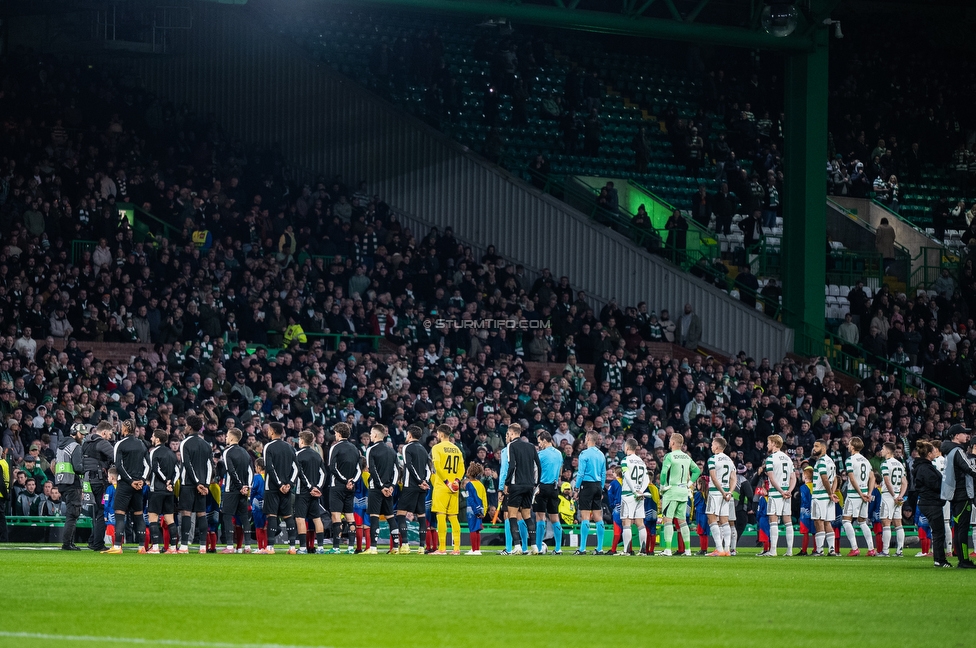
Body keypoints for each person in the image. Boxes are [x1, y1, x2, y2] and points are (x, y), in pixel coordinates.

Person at [103, 418, 147, 554]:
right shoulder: (142, 444)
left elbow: (118, 465)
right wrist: (142, 480)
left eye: (122, 427)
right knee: (139, 515)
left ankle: (117, 546)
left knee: (120, 514)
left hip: (125, 484)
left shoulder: (120, 444)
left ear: (126, 429)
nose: (121, 429)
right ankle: (142, 547)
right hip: (139, 485)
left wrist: (130, 481)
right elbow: (148, 465)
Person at [501, 422, 541, 555]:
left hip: (516, 484)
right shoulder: (531, 446)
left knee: (512, 515)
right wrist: (535, 484)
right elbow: (538, 467)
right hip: (529, 485)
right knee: (527, 516)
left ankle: (517, 546)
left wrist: (506, 483)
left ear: (511, 433)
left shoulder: (511, 445)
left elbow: (512, 466)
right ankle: (534, 546)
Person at [940, 424, 976, 568]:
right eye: (963, 433)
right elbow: (970, 468)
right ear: (956, 436)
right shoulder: (958, 451)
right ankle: (964, 560)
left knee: (959, 528)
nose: (966, 436)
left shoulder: (949, 452)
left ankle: (963, 558)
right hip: (962, 494)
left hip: (954, 494)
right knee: (962, 528)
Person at [178, 414, 214, 554]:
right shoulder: (206, 444)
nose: (185, 428)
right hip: (203, 486)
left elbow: (187, 464)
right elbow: (210, 466)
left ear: (190, 427)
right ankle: (203, 547)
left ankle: (184, 546)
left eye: (186, 425)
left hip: (188, 483)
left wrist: (197, 483)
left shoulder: (185, 443)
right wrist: (205, 484)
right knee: (201, 514)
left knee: (186, 514)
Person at [659, 432, 700, 556]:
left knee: (667, 520)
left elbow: (664, 472)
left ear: (672, 442)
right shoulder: (686, 457)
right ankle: (687, 550)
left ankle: (667, 549)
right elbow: (697, 470)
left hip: (671, 491)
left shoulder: (669, 456)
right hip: (683, 492)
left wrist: (662, 485)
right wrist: (689, 484)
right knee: (682, 521)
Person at [262, 421, 299, 555]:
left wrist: (279, 484)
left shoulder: (268, 447)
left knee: (272, 515)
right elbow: (296, 468)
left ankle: (270, 547)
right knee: (288, 516)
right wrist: (289, 483)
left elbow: (269, 467)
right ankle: (292, 547)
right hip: (287, 488)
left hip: (272, 487)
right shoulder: (290, 447)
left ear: (272, 431)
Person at [914, 440, 952, 568]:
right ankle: (940, 560)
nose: (935, 452)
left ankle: (939, 559)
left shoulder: (922, 466)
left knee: (938, 531)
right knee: (938, 532)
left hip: (929, 502)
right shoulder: (926, 468)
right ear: (929, 453)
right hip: (931, 503)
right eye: (933, 450)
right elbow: (934, 485)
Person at [395, 425, 431, 554]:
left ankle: (405, 544)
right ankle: (421, 547)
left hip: (410, 485)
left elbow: (408, 466)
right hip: (422, 487)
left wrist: (419, 481)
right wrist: (425, 481)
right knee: (421, 515)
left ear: (410, 434)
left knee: (400, 514)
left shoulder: (406, 448)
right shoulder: (423, 449)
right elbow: (429, 468)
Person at [365, 424, 400, 554]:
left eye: (370, 433)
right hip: (389, 490)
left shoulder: (371, 450)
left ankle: (373, 548)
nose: (369, 435)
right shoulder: (392, 451)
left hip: (376, 488)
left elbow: (372, 470)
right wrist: (391, 486)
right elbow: (397, 471)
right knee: (390, 516)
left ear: (375, 435)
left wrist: (381, 487)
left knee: (374, 516)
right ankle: (395, 547)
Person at [430, 423, 465, 555]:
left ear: (442, 434)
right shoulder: (457, 449)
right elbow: (462, 468)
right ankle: (456, 549)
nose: (437, 436)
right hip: (455, 488)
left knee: (441, 516)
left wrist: (447, 482)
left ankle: (442, 548)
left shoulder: (437, 448)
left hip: (442, 486)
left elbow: (438, 467)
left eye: (438, 434)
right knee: (453, 517)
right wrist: (456, 481)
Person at [328, 422, 362, 554]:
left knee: (336, 516)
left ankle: (336, 547)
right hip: (351, 487)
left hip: (337, 486)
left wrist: (344, 480)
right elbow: (359, 468)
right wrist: (352, 481)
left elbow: (332, 467)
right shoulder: (355, 449)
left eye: (335, 433)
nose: (335, 435)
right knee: (350, 516)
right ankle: (350, 548)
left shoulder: (335, 447)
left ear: (339, 433)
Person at [81, 421, 115, 552]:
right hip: (100, 481)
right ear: (104, 432)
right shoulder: (102, 443)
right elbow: (115, 456)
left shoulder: (86, 443)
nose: (110, 437)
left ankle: (92, 540)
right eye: (110, 434)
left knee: (97, 511)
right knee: (103, 511)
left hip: (89, 481)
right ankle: (97, 543)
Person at [761, 434, 796, 558]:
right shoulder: (788, 458)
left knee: (773, 520)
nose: (767, 445)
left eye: (769, 442)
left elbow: (771, 477)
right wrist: (789, 491)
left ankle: (773, 550)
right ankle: (789, 550)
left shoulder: (771, 459)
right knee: (788, 521)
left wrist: (781, 491)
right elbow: (793, 477)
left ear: (774, 444)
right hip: (787, 494)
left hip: (776, 493)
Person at [220, 428, 254, 554]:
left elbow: (231, 470)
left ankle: (229, 546)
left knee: (227, 516)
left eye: (227, 436)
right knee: (244, 517)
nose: (226, 438)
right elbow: (251, 471)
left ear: (233, 438)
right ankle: (248, 546)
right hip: (244, 491)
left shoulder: (227, 452)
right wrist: (247, 487)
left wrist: (240, 486)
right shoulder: (245, 453)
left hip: (232, 489)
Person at [54, 423, 87, 551]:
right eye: (81, 434)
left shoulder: (61, 446)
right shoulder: (75, 446)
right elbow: (78, 468)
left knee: (70, 514)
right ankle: (67, 544)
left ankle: (68, 543)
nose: (83, 436)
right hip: (73, 483)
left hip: (62, 483)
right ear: (75, 432)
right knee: (73, 515)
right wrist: (87, 468)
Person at [573, 431, 607, 555]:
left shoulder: (584, 454)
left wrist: (576, 489)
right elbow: (604, 473)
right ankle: (599, 548)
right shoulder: (601, 454)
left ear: (587, 438)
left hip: (587, 485)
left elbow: (581, 473)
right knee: (598, 517)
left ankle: (582, 548)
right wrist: (601, 487)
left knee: (585, 517)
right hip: (598, 485)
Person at [841, 437, 876, 557]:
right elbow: (872, 477)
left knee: (846, 520)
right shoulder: (866, 461)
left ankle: (854, 548)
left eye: (849, 444)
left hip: (854, 494)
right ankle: (871, 549)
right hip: (865, 494)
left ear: (853, 446)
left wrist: (860, 493)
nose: (848, 446)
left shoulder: (850, 460)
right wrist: (869, 493)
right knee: (862, 522)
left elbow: (851, 478)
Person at [146, 429, 179, 554]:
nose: (151, 439)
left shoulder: (154, 452)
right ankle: (172, 548)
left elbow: (156, 468)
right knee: (170, 520)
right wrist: (172, 483)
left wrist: (165, 481)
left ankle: (155, 547)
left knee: (153, 518)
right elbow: (178, 471)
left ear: (158, 439)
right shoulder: (172, 453)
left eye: (153, 437)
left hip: (157, 489)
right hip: (169, 491)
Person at [294, 429, 326, 554]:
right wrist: (318, 487)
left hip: (302, 491)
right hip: (315, 492)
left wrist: (310, 487)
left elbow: (299, 473)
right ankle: (321, 548)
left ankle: (302, 548)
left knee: (300, 518)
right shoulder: (317, 455)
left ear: (302, 441)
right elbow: (323, 473)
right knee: (317, 518)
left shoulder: (297, 455)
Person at [705, 436, 736, 557]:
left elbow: (713, 478)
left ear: (717, 446)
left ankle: (719, 548)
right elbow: (734, 478)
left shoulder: (713, 459)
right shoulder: (729, 460)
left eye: (712, 444)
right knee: (724, 521)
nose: (711, 446)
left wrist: (723, 492)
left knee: (711, 519)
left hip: (715, 492)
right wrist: (729, 492)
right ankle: (727, 549)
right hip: (727, 493)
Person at [619, 438, 650, 556]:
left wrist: (634, 491)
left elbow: (626, 476)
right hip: (640, 495)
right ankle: (643, 550)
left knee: (626, 522)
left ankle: (626, 551)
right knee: (640, 522)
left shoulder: (625, 460)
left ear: (627, 447)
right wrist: (640, 491)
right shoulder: (641, 462)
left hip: (628, 494)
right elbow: (647, 479)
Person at [534, 431, 564, 554]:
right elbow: (560, 472)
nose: (539, 444)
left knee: (540, 517)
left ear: (545, 440)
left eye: (540, 442)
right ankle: (558, 548)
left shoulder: (540, 455)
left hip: (542, 487)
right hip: (554, 487)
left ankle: (539, 548)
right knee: (555, 518)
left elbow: (535, 472)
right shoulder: (559, 454)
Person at [878, 442, 907, 557]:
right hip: (898, 496)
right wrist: (900, 495)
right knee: (898, 523)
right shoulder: (900, 464)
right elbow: (905, 482)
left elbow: (887, 481)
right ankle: (899, 551)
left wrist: (894, 496)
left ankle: (885, 551)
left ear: (888, 451)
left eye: (883, 448)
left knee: (886, 522)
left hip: (888, 496)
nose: (881, 450)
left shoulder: (885, 464)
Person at [810, 440, 839, 557]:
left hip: (820, 496)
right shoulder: (830, 461)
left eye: (816, 446)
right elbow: (836, 478)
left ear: (823, 448)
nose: (814, 448)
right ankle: (832, 549)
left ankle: (820, 550)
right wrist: (831, 493)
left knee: (819, 521)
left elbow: (824, 479)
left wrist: (830, 493)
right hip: (828, 497)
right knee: (827, 522)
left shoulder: (821, 462)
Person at [463, 463, 487, 555]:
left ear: (470, 472)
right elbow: (484, 498)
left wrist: (476, 511)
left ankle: (474, 549)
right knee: (477, 529)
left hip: (472, 510)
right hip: (480, 508)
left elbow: (471, 498)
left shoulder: (469, 484)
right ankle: (477, 549)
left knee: (472, 529)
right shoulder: (480, 484)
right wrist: (483, 510)